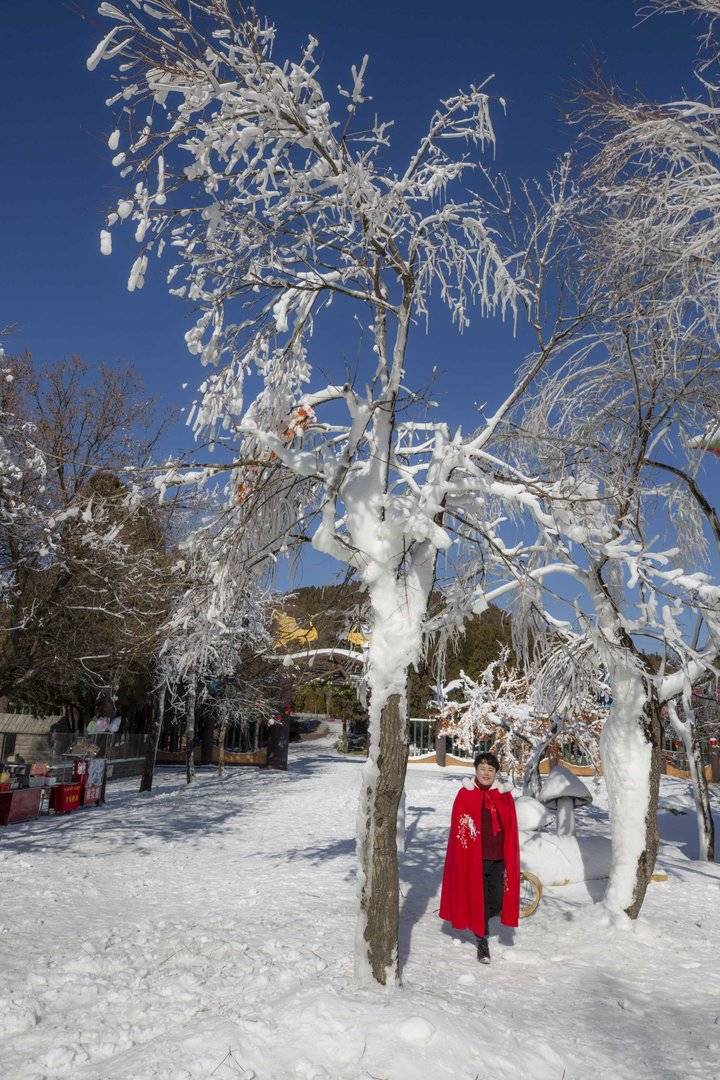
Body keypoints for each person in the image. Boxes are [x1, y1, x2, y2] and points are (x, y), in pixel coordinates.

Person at [439, 751, 520, 964]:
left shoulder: (504, 796)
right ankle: (481, 939)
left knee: (496, 900)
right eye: (482, 769)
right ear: (476, 770)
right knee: (480, 899)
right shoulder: (465, 794)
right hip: (473, 858)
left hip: (498, 857)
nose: (486, 773)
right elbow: (459, 828)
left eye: (490, 770)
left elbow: (511, 827)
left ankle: (481, 920)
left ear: (495, 773)